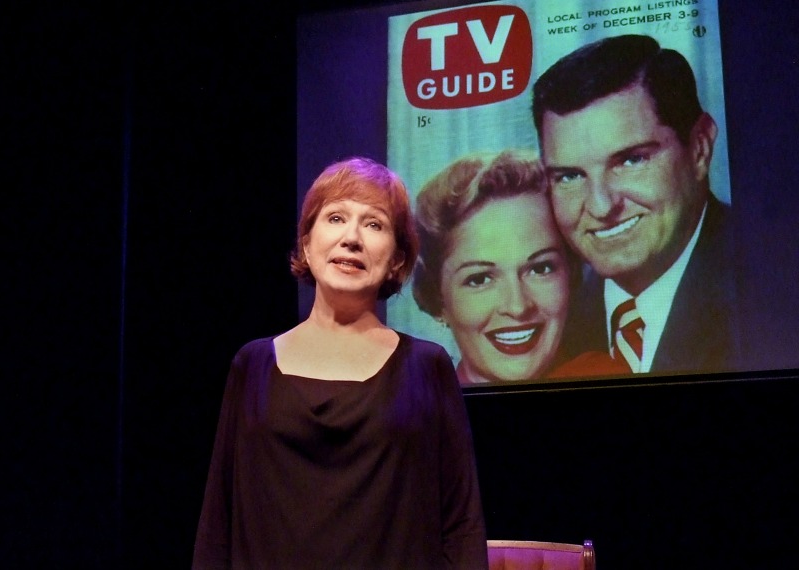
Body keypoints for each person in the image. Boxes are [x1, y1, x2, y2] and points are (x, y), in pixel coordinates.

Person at [192, 157, 488, 569]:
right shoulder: (253, 365)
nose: (352, 238)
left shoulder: (428, 367)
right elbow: (216, 526)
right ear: (307, 245)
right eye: (335, 218)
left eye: (374, 224)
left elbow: (462, 524)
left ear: (398, 260)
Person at [532, 34, 741, 375]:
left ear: (700, 148)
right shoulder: (548, 326)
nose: (601, 207)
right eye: (569, 176)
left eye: (631, 160)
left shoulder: (773, 282)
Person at [412, 149, 584, 385]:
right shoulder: (421, 414)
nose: (518, 307)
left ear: (571, 273)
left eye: (541, 269)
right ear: (438, 300)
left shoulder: (610, 379)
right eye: (480, 279)